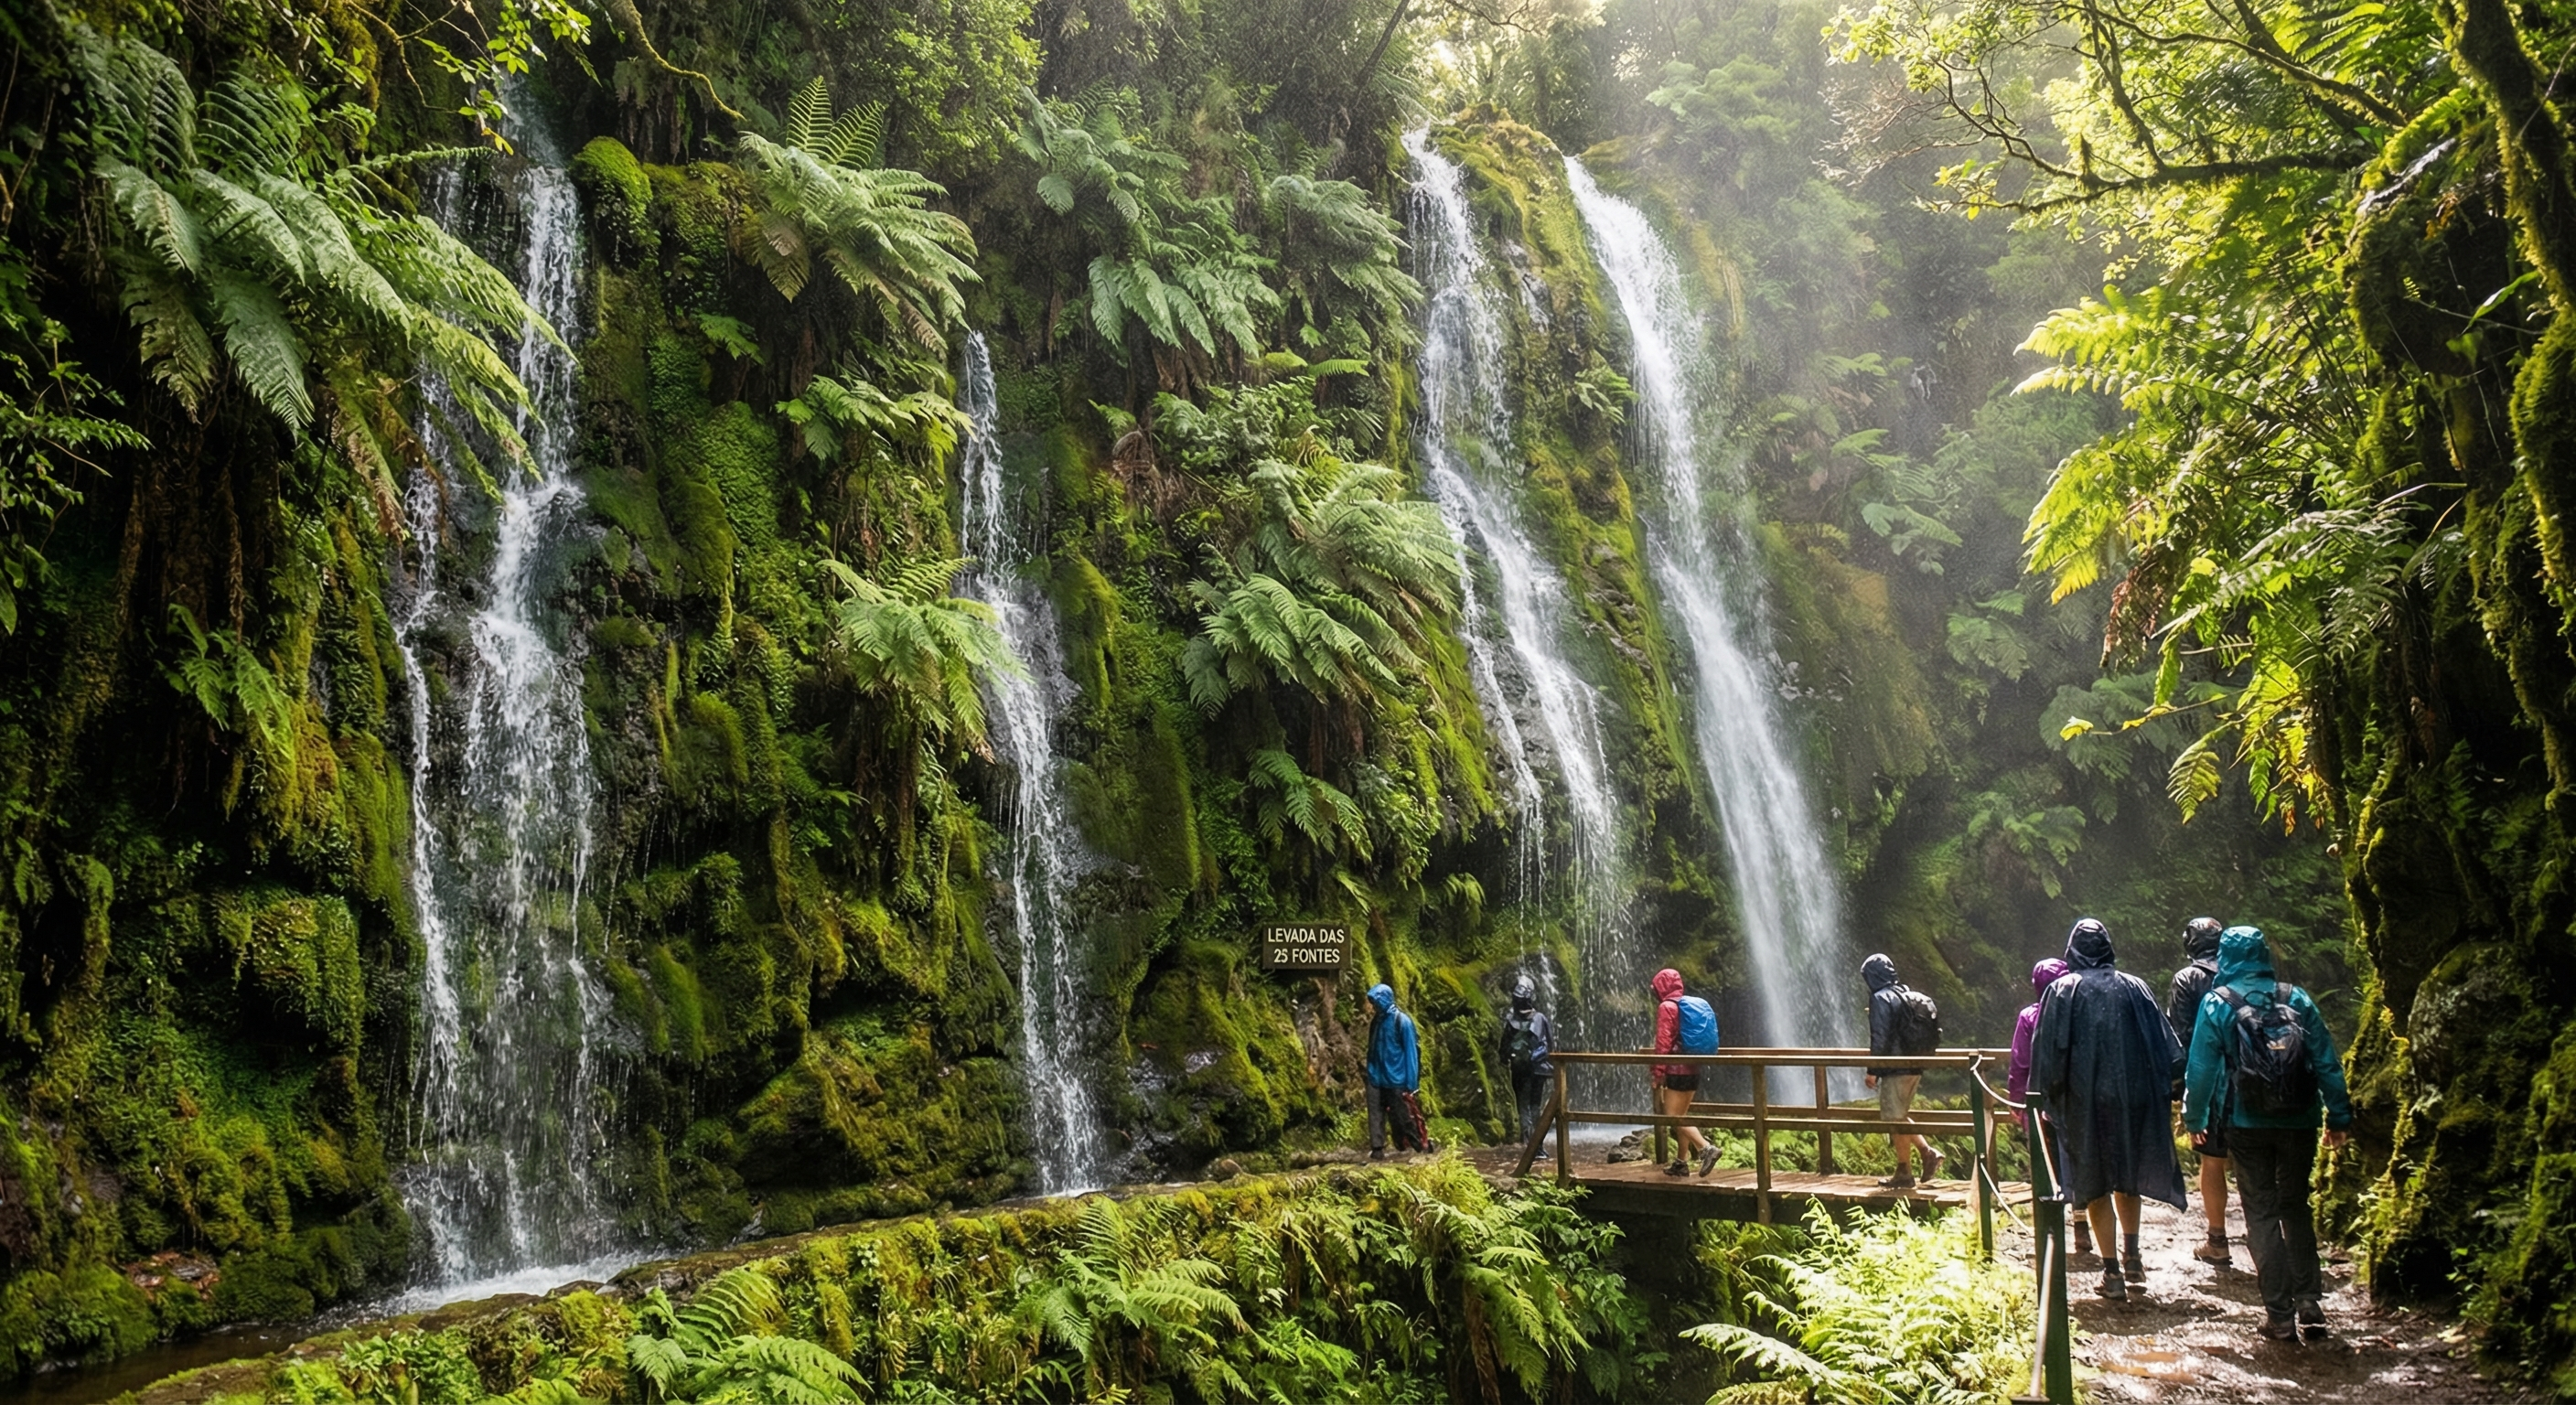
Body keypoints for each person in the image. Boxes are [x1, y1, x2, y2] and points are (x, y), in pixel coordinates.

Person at [2182, 926, 2353, 1342]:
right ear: (2264, 955)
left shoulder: (2217, 1004)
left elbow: (2201, 1069)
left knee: (2259, 1211)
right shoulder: (2295, 998)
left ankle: (2279, 1314)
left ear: (2226, 958)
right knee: (2295, 1205)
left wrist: (2195, 1119)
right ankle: (2310, 1302)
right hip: (2300, 1120)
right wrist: (2340, 1116)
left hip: (2245, 1121)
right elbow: (2326, 1059)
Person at [2032, 917, 2187, 1302]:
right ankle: (2132, 1255)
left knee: (2095, 1179)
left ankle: (2112, 1271)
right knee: (2127, 1173)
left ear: (2072, 951)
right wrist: (2170, 1089)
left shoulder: (2062, 990)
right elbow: (2168, 1049)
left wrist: (2045, 1098)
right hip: (2134, 1097)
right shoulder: (2135, 988)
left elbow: (2049, 1051)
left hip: (2086, 1102)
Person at [2007, 957, 2092, 1258]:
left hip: (2040, 1098)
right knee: (2079, 1160)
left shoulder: (2030, 1016)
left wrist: (2018, 1101)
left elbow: (2020, 1062)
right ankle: (2082, 1229)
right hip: (2077, 1099)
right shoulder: (2081, 1013)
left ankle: (2050, 1232)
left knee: (2047, 1164)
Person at [2167, 916, 2234, 1265]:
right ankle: (2268, 1240)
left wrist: (2180, 1088)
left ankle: (2217, 1237)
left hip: (2207, 1077)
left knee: (2213, 1160)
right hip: (2251, 1078)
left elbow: (2179, 1035)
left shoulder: (2188, 978)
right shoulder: (2241, 972)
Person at [1862, 953, 1943, 1189]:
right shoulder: (1902, 993)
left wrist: (1873, 1070)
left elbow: (1880, 1037)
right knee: (1898, 1115)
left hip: (1895, 1067)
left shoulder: (1880, 998)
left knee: (1895, 1117)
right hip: (1913, 1063)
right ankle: (1926, 1154)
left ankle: (1905, 1172)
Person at [1648, 968, 1720, 1177]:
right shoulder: (1688, 1005)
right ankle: (1681, 1162)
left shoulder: (1667, 1007)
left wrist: (1657, 1072)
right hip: (1693, 1068)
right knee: (1682, 1116)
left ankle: (1705, 1148)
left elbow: (1663, 1044)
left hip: (1677, 1070)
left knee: (1673, 1116)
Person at [1364, 982, 1430, 1158]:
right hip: (1376, 1076)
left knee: (1402, 1117)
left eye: (1376, 1002)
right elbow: (1371, 1047)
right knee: (1375, 1113)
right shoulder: (1376, 1022)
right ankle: (1377, 1149)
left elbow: (1411, 1053)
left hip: (1396, 1078)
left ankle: (1419, 1146)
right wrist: (1369, 1069)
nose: (1374, 1006)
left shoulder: (1402, 1022)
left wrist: (1411, 1083)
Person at [1498, 974, 1557, 1159]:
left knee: (1523, 1106)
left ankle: (1528, 1146)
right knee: (1535, 1106)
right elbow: (1551, 1044)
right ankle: (1537, 1148)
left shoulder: (1510, 1020)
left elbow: (1503, 1049)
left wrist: (1507, 1060)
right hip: (1538, 1069)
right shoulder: (1540, 1018)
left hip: (1519, 1069)